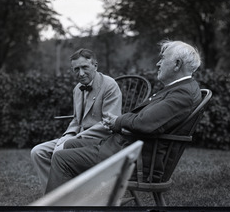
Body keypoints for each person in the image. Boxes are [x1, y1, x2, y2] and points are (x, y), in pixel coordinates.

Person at [45, 40, 202, 194]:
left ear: (177, 64)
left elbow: (145, 123)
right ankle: (81, 200)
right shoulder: (177, 89)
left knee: (61, 158)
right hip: (125, 146)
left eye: (163, 59)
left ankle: (56, 207)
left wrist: (117, 121)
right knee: (70, 144)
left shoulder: (182, 94)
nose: (158, 64)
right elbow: (145, 119)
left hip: (133, 159)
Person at [31, 48, 122, 192]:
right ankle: (54, 195)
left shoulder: (109, 85)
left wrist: (75, 139)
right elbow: (76, 119)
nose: (80, 73)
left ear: (95, 66)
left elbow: (108, 124)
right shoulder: (78, 88)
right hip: (78, 136)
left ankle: (66, 195)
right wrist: (67, 135)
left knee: (59, 151)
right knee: (38, 151)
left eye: (85, 67)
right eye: (76, 69)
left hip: (101, 141)